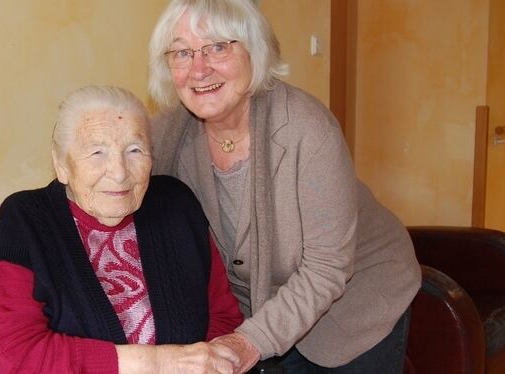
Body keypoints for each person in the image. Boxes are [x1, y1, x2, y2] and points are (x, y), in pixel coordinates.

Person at [148, 0, 422, 372]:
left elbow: (327, 268)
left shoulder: (306, 131)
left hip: (354, 302)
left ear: (254, 51)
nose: (199, 68)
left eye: (217, 47)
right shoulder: (169, 136)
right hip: (260, 308)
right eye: (183, 52)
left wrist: (249, 341)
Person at [0, 85, 245, 373]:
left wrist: (214, 361)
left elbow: (223, 317)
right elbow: (12, 357)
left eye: (134, 150)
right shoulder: (26, 219)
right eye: (97, 152)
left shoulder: (177, 204)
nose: (119, 172)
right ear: (61, 164)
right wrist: (158, 362)